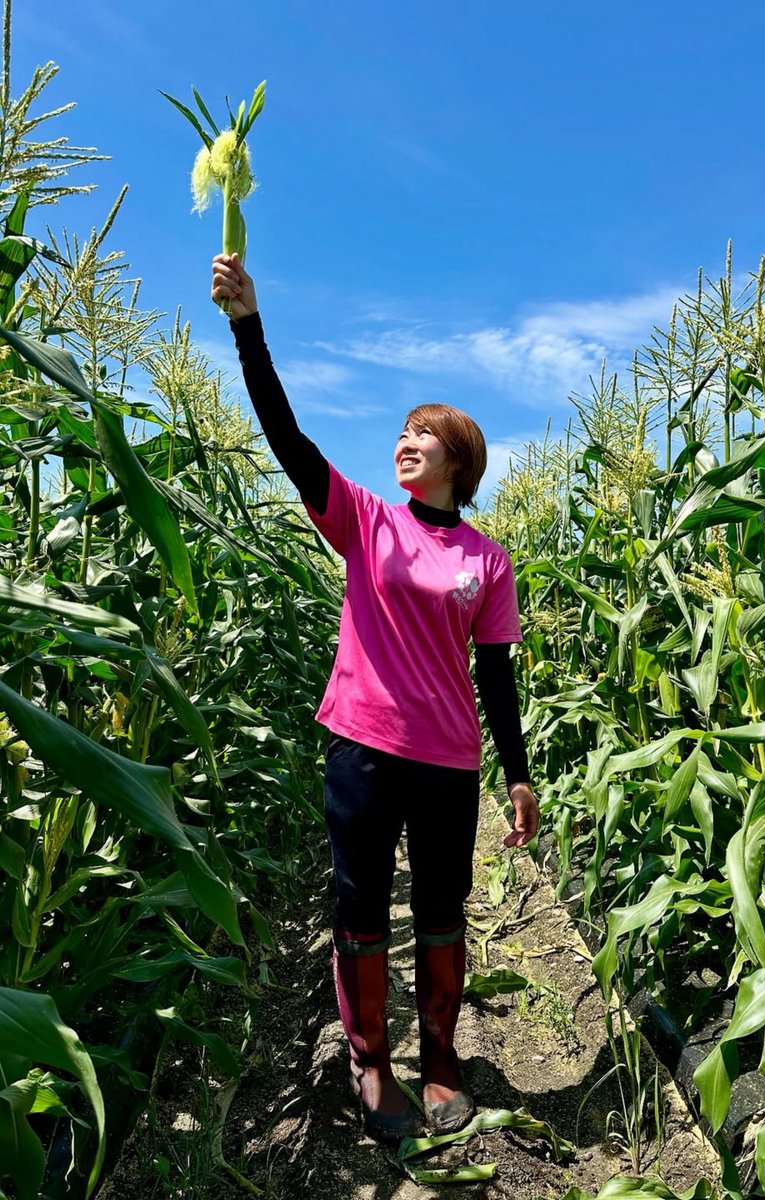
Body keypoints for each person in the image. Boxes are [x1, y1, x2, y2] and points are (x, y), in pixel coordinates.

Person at [211, 253, 540, 1143]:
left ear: (459, 461)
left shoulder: (488, 560)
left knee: (441, 910)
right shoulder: (366, 520)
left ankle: (441, 1060)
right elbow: (288, 440)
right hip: (361, 745)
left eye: (422, 434)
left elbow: (496, 674)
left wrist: (516, 774)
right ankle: (370, 1062)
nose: (404, 441)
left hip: (447, 760)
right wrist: (248, 328)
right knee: (359, 906)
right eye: (401, 431)